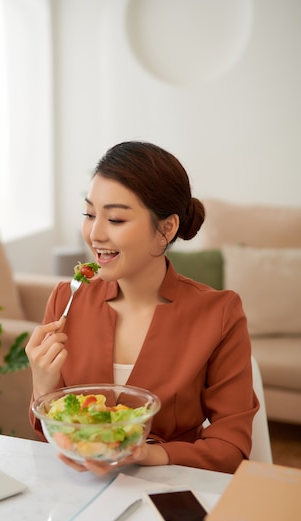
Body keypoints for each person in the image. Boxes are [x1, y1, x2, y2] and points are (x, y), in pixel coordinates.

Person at [26, 140, 259, 475]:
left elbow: (230, 447)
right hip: (77, 487)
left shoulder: (219, 313)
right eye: (90, 214)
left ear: (166, 228)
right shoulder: (67, 299)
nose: (95, 234)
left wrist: (144, 455)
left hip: (168, 487)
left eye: (116, 219)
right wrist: (43, 386)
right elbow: (43, 430)